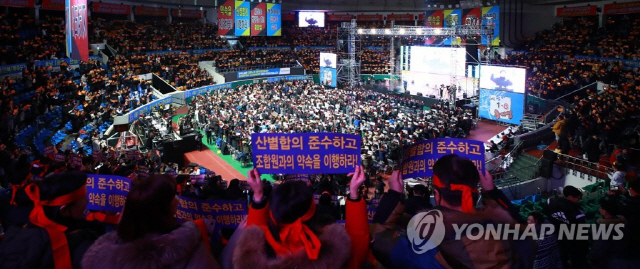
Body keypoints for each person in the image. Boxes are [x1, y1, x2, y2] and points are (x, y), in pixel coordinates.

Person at [371, 154, 536, 268]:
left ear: (436, 194)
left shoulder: (424, 243)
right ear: (476, 191)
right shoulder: (512, 236)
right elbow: (520, 228)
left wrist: (393, 195)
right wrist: (493, 192)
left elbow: (378, 239)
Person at [224, 166, 370, 269]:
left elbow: (253, 235)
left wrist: (257, 197)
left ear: (273, 211)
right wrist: (354, 194)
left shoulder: (252, 257)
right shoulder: (334, 252)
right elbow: (357, 243)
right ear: (312, 210)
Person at [82, 174, 219, 269]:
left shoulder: (100, 256)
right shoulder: (190, 249)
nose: (177, 200)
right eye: (172, 196)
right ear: (162, 208)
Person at [0, 171, 104, 269]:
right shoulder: (83, 248)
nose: (89, 202)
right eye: (85, 198)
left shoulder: (18, 231)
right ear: (64, 209)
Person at [545, 186, 588, 269]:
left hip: (558, 234)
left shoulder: (550, 202)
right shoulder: (577, 211)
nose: (579, 199)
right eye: (578, 197)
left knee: (562, 256)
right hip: (573, 239)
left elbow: (547, 213)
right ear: (570, 197)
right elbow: (582, 228)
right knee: (576, 259)